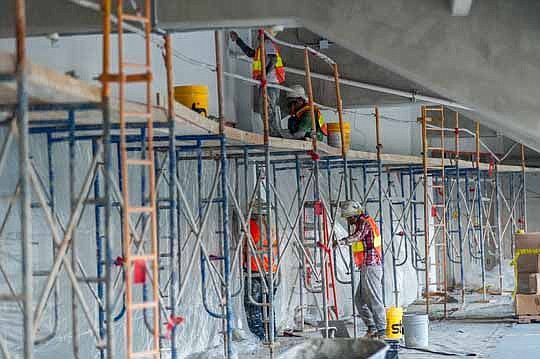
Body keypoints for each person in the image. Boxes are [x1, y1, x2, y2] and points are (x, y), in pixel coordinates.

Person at [338, 200, 386, 339]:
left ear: (353, 216)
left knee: (373, 298)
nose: (348, 221)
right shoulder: (360, 222)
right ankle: (371, 328)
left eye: (348, 218)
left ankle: (382, 331)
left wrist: (341, 241)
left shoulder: (364, 222)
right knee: (359, 299)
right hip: (366, 266)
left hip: (372, 266)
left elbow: (358, 236)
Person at [230, 26, 285, 137]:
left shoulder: (267, 43)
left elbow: (273, 59)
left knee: (268, 109)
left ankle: (273, 134)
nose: (257, 35)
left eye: (259, 33)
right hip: (267, 83)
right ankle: (271, 133)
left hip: (270, 82)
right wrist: (238, 40)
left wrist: (264, 74)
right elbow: (251, 53)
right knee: (265, 108)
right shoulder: (262, 48)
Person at [243, 201, 278, 340]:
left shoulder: (251, 225)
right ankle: (271, 334)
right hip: (272, 271)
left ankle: (259, 336)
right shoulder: (271, 226)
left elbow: (244, 245)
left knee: (253, 304)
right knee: (268, 304)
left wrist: (242, 264)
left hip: (256, 269)